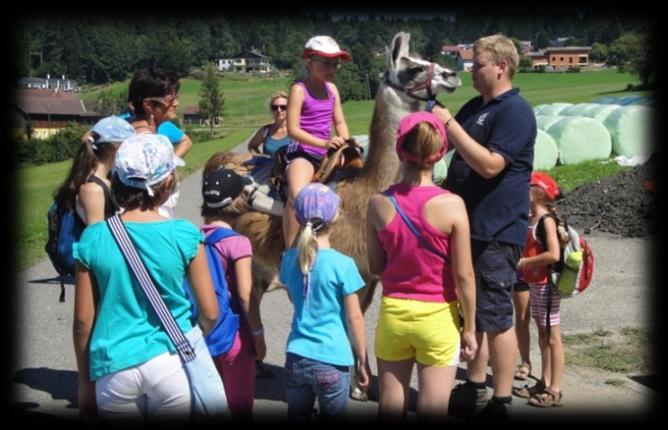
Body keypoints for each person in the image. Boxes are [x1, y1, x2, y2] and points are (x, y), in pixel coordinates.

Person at [72, 133, 219, 419]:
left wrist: (84, 381)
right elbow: (210, 313)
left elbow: (82, 321)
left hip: (114, 364)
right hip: (170, 360)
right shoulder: (185, 235)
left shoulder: (94, 237)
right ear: (167, 183)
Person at [431, 34, 536, 419]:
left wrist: (448, 123)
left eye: (477, 64)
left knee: (495, 315)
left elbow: (491, 164)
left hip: (495, 229)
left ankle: (501, 400)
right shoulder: (477, 106)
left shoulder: (515, 112)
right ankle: (475, 384)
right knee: (470, 313)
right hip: (466, 227)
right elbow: (440, 143)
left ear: (500, 67)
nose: (471, 70)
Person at [365, 112, 477, 421]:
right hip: (439, 317)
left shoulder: (377, 203)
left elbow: (376, 265)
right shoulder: (453, 205)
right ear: (440, 151)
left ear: (399, 150)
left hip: (394, 315)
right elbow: (464, 274)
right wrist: (469, 328)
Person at [279, 183, 368, 423]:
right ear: (336, 217)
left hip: (295, 356)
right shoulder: (344, 265)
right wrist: (362, 359)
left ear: (297, 217)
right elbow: (354, 318)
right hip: (332, 360)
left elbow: (294, 296)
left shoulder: (288, 259)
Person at [200, 166, 267, 419]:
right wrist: (258, 336)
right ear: (239, 201)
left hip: (203, 333)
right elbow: (246, 294)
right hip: (234, 336)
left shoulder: (196, 239)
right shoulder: (237, 242)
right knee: (239, 407)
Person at [283, 35, 352, 248]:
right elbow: (293, 129)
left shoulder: (332, 90)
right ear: (309, 63)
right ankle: (290, 251)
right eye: (326, 63)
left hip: (327, 151)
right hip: (303, 152)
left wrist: (347, 146)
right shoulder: (299, 90)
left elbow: (339, 122)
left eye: (335, 64)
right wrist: (323, 144)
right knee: (298, 196)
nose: (332, 69)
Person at [513, 172, 568, 407]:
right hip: (537, 285)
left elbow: (553, 254)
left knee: (553, 338)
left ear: (538, 193)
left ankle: (554, 389)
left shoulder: (546, 220)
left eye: (528, 188)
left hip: (547, 287)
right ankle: (543, 382)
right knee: (543, 335)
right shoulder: (533, 218)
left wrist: (525, 262)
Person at [125, 68, 185, 218]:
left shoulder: (123, 134)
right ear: (148, 105)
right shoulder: (152, 146)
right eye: (170, 99)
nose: (176, 103)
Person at [56, 116, 135, 227]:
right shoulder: (93, 190)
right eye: (130, 146)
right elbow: (96, 240)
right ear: (113, 148)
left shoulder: (106, 180)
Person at [247, 91, 291, 157]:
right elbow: (252, 146)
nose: (279, 110)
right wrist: (261, 157)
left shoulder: (296, 130)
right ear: (271, 110)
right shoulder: (265, 131)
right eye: (275, 107)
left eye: (283, 107)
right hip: (268, 167)